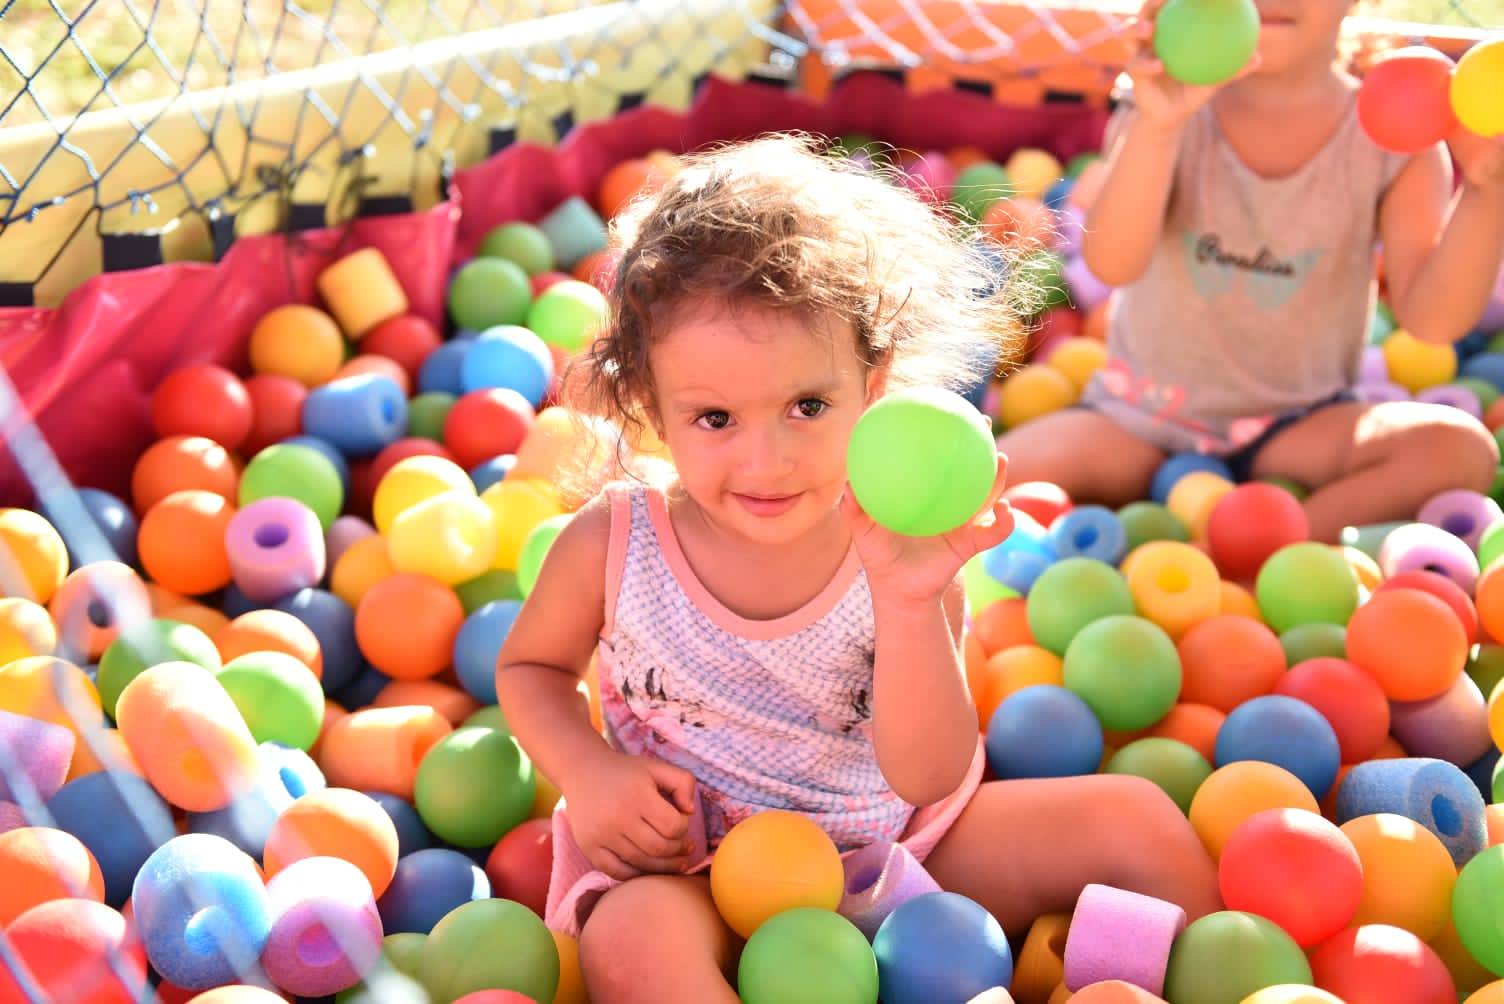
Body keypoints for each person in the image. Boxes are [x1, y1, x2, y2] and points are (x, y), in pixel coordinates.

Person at [495, 133, 1223, 1003]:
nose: (767, 461)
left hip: (895, 850)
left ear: (872, 385)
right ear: (652, 405)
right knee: (629, 941)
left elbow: (929, 775)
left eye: (807, 406)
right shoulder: (613, 542)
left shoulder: (899, 548)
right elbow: (531, 669)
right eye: (715, 419)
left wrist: (911, 601)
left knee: (1134, 820)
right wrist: (589, 773)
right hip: (691, 867)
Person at [996, 0, 1504, 543]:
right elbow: (1113, 264)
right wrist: (1159, 127)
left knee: (1458, 450)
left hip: (1299, 426)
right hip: (1138, 418)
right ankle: (1242, 552)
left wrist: (1487, 188)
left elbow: (1432, 321)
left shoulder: (1394, 136)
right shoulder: (1165, 103)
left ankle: (1255, 551)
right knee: (983, 481)